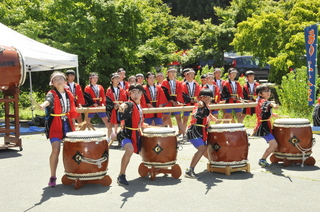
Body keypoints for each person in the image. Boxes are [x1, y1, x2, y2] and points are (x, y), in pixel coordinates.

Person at [39, 71, 77, 187]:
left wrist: (74, 125)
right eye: (56, 79)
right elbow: (49, 100)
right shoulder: (51, 93)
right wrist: (44, 104)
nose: (59, 80)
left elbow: (72, 110)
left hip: (67, 123)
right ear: (53, 83)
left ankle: (73, 174)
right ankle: (53, 176)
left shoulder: (69, 94)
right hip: (55, 124)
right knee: (56, 150)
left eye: (61, 78)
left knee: (71, 150)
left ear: (65, 81)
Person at [116, 83, 148, 185]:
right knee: (129, 150)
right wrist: (122, 106)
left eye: (138, 92)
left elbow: (137, 120)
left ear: (142, 94)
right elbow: (126, 105)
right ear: (129, 94)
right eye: (133, 92)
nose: (136, 94)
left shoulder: (139, 106)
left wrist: (142, 124)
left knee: (145, 152)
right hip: (126, 133)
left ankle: (153, 168)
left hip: (136, 133)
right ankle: (121, 175)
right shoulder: (130, 103)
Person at [185, 89, 217, 178]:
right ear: (201, 98)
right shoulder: (199, 105)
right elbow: (200, 106)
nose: (207, 99)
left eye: (208, 97)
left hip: (201, 130)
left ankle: (213, 163)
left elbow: (207, 113)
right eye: (204, 97)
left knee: (205, 148)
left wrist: (211, 117)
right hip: (194, 131)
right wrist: (201, 104)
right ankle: (189, 170)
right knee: (202, 149)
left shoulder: (207, 107)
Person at [253, 84, 279, 167]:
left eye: (269, 91)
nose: (269, 92)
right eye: (266, 91)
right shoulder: (263, 101)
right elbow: (267, 104)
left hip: (265, 124)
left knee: (273, 144)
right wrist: (273, 105)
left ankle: (276, 156)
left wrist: (272, 114)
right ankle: (262, 159)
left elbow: (263, 112)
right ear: (260, 93)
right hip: (263, 126)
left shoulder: (261, 101)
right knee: (274, 145)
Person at [106, 73, 128, 143]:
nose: (118, 80)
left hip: (120, 108)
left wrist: (122, 105)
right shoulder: (109, 89)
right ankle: (109, 138)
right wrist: (113, 106)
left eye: (118, 78)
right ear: (112, 80)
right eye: (116, 78)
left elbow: (124, 99)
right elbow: (108, 99)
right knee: (110, 124)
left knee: (120, 123)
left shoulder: (121, 89)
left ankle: (119, 137)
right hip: (112, 108)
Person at [181, 68, 201, 141]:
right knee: (185, 119)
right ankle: (184, 134)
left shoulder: (196, 84)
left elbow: (199, 92)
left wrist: (195, 99)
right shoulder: (184, 84)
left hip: (195, 102)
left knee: (195, 118)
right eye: (190, 74)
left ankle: (194, 132)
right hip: (187, 103)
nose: (192, 75)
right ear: (187, 75)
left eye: (193, 74)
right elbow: (183, 94)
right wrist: (189, 99)